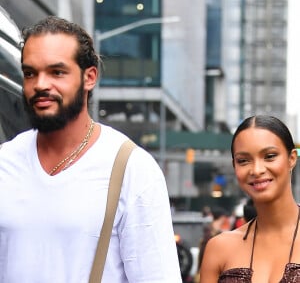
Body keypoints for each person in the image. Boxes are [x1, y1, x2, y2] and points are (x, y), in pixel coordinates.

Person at [0, 16, 181, 282]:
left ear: (89, 77)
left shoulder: (131, 169)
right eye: (30, 73)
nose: (40, 85)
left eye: (57, 72)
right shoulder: (5, 162)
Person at [200, 115, 300, 282]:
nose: (257, 170)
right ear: (234, 166)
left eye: (269, 156)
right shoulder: (219, 248)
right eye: (244, 160)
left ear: (291, 159)